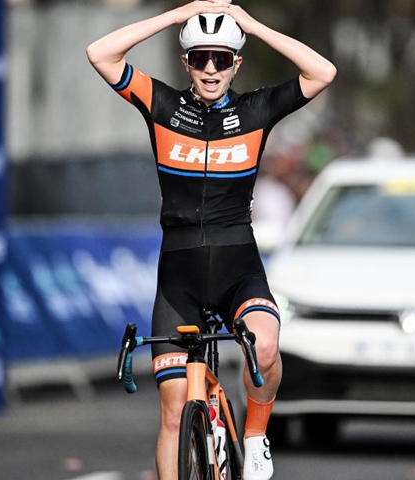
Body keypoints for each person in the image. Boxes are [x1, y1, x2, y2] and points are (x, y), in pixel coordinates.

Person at [86, 2, 336, 479]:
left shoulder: (256, 109)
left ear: (236, 63)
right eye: (200, 57)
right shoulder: (162, 105)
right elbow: (100, 53)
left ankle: (256, 435)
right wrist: (180, 13)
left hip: (237, 267)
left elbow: (322, 71)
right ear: (187, 62)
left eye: (222, 58)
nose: (210, 68)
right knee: (174, 410)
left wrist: (252, 26)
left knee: (264, 348)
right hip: (178, 278)